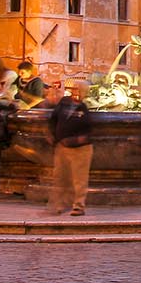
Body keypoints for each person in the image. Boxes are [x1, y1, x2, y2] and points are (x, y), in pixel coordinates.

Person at [48, 80, 94, 216]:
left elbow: (89, 128)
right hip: (62, 146)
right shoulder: (64, 103)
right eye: (75, 89)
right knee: (60, 177)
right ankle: (59, 204)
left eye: (80, 90)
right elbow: (53, 119)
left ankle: (78, 206)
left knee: (79, 179)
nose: (76, 92)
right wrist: (52, 134)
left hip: (81, 149)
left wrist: (82, 138)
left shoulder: (84, 107)